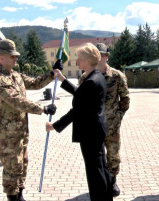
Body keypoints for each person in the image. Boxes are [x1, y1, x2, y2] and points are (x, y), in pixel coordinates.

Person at [0, 39, 60, 201]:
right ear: (1, 58)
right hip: (7, 133)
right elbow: (16, 101)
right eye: (12, 56)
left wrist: (52, 73)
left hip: (21, 129)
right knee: (12, 166)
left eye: (15, 56)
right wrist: (42, 109)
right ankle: (12, 196)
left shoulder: (15, 75)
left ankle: (19, 193)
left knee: (23, 162)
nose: (16, 59)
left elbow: (34, 83)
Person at [46, 43, 113, 201]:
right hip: (97, 129)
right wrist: (62, 79)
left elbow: (76, 111)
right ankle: (106, 197)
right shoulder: (97, 76)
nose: (77, 62)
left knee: (94, 171)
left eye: (79, 59)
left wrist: (55, 126)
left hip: (90, 132)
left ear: (88, 60)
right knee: (101, 167)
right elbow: (80, 94)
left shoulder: (90, 81)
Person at [93, 43, 130, 196]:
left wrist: (119, 115)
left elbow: (125, 98)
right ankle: (100, 182)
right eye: (95, 54)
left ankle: (113, 181)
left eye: (101, 54)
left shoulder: (117, 76)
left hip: (112, 124)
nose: (98, 57)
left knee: (113, 154)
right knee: (97, 155)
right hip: (95, 125)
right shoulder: (86, 76)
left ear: (106, 56)